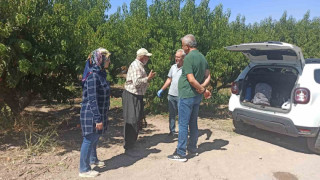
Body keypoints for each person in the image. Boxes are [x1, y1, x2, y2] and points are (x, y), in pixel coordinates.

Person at [168, 34, 211, 162]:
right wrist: (202, 88)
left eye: (182, 45)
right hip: (196, 97)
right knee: (193, 123)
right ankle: (192, 148)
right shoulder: (202, 57)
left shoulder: (188, 58)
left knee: (183, 124)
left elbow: (191, 79)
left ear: (187, 46)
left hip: (187, 95)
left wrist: (202, 89)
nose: (182, 47)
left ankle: (181, 153)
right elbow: (208, 76)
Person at [79, 48, 111, 178]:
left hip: (99, 112)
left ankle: (93, 160)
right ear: (100, 60)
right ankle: (84, 169)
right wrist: (97, 119)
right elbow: (92, 99)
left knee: (95, 137)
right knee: (88, 139)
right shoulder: (93, 76)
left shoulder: (100, 74)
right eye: (107, 58)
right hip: (91, 113)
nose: (109, 61)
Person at [122, 48, 156, 150]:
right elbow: (136, 83)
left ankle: (131, 143)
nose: (148, 59)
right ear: (142, 57)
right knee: (131, 119)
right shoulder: (136, 66)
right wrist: (148, 78)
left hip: (136, 95)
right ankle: (128, 145)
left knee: (136, 119)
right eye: (147, 57)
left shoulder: (139, 65)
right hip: (132, 95)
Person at [157, 49, 186, 136]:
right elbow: (169, 79)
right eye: (175, 57)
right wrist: (162, 89)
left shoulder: (186, 68)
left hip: (181, 95)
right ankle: (172, 131)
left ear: (183, 58)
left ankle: (182, 132)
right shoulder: (173, 67)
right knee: (172, 114)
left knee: (181, 115)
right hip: (171, 94)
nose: (176, 58)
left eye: (178, 57)